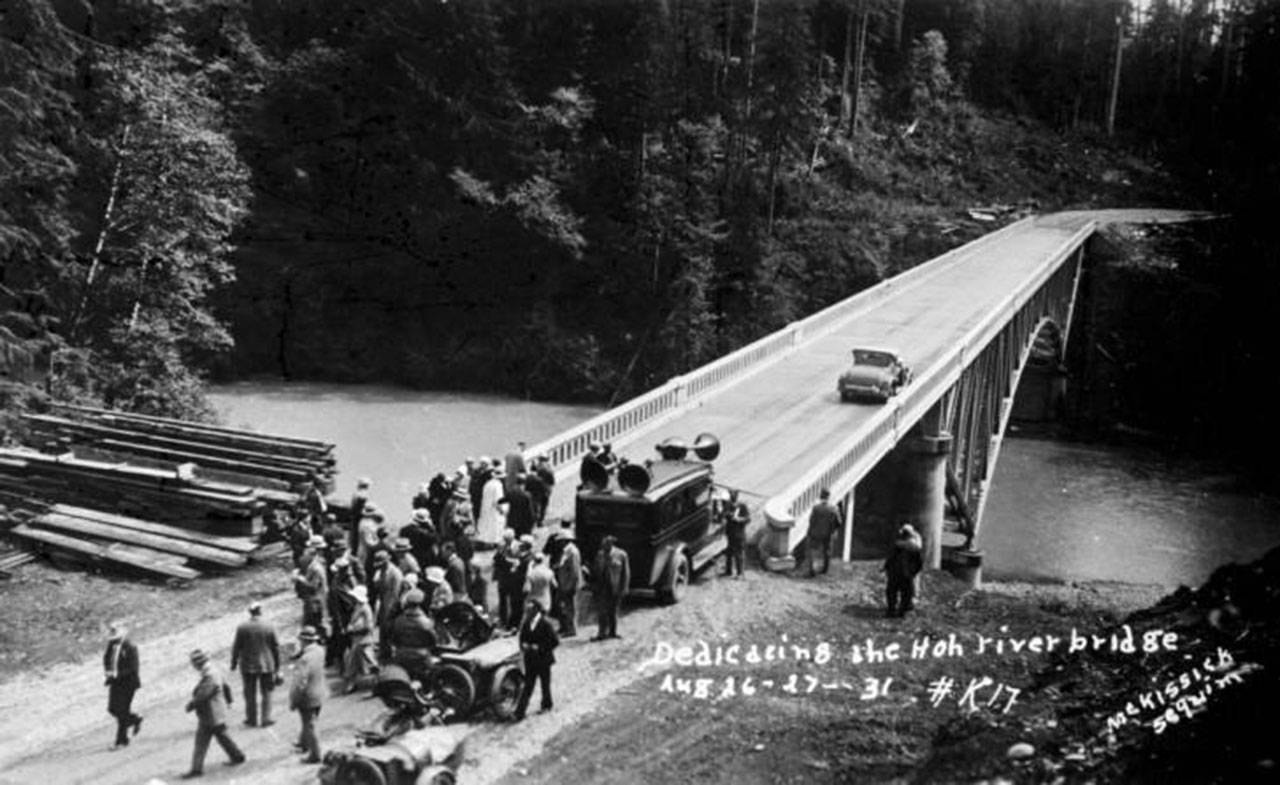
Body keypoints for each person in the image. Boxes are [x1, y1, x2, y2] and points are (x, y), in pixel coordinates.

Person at [181, 649, 245, 778]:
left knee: (201, 742)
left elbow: (203, 695)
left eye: (193, 663)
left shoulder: (209, 675)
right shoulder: (215, 670)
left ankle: (196, 769)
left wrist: (191, 705)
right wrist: (229, 701)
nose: (193, 666)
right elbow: (226, 686)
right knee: (222, 737)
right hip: (217, 713)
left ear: (198, 663)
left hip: (210, 714)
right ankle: (237, 756)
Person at [229, 601, 280, 728]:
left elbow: (237, 647)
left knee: (249, 694)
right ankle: (266, 718)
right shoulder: (269, 626)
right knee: (267, 692)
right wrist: (277, 666)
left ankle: (251, 719)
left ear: (250, 612)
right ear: (260, 611)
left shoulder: (242, 627)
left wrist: (233, 662)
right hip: (267, 664)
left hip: (248, 665)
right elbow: (275, 647)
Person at [513, 599, 559, 720]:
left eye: (530, 609)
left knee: (545, 684)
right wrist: (523, 645)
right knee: (528, 685)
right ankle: (519, 712)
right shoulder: (526, 623)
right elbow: (521, 638)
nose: (528, 612)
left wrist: (539, 647)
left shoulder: (545, 624)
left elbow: (555, 641)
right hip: (530, 660)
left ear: (537, 610)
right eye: (527, 609)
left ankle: (547, 705)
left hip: (543, 659)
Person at [288, 626, 326, 764]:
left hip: (308, 697)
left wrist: (293, 701)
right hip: (320, 692)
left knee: (310, 725)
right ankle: (303, 743)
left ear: (304, 641)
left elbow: (300, 684)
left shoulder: (305, 659)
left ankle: (315, 754)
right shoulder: (320, 651)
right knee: (309, 722)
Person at [103, 621, 143, 750]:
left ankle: (121, 741)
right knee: (112, 708)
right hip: (116, 682)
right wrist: (108, 672)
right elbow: (106, 659)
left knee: (122, 710)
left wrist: (117, 674)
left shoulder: (130, 647)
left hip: (128, 683)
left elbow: (133, 668)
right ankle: (134, 719)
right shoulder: (111, 645)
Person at [386, 589, 438, 681]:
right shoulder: (426, 622)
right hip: (421, 657)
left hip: (401, 655)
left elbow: (392, 638)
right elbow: (434, 641)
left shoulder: (398, 621)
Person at [590, 535, 630, 641]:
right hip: (602, 587)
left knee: (613, 611)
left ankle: (613, 632)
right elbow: (596, 571)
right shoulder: (600, 555)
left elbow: (625, 573)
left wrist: (624, 588)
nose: (605, 548)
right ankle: (601, 633)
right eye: (603, 546)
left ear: (611, 545)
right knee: (602, 611)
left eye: (607, 546)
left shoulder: (621, 555)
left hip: (615, 587)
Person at [885, 523, 924, 618]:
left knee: (892, 592)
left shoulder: (898, 545)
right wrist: (913, 572)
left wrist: (887, 568)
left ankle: (892, 610)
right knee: (907, 593)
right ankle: (902, 610)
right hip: (907, 574)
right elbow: (919, 563)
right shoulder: (915, 547)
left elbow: (891, 558)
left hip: (896, 574)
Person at [343, 585, 377, 694]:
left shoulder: (365, 609)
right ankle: (352, 682)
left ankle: (378, 681)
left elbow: (368, 626)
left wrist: (354, 629)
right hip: (357, 639)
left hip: (364, 639)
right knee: (353, 661)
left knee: (369, 660)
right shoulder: (358, 606)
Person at [370, 551, 404, 659]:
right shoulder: (382, 571)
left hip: (391, 603)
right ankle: (384, 650)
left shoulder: (395, 573)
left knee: (389, 628)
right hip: (383, 600)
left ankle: (389, 652)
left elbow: (396, 592)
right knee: (382, 628)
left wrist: (392, 608)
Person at [293, 536, 328, 635]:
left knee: (312, 621)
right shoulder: (320, 561)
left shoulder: (314, 565)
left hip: (314, 598)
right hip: (320, 595)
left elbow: (313, 585)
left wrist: (298, 578)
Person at [553, 531, 581, 637]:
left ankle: (571, 629)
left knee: (569, 607)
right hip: (563, 582)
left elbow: (574, 571)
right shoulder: (567, 551)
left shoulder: (572, 552)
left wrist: (571, 585)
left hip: (568, 584)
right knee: (561, 606)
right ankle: (564, 627)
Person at [807, 488, 841, 577]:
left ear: (820, 496)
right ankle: (825, 569)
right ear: (828, 497)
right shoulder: (834, 508)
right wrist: (834, 530)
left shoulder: (816, 508)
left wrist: (810, 531)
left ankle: (812, 569)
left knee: (813, 550)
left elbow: (811, 521)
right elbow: (839, 522)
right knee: (827, 551)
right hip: (828, 533)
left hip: (815, 533)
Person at [722, 489, 749, 578]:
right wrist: (730, 515)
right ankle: (728, 571)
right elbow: (724, 514)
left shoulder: (742, 506)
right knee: (729, 553)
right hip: (730, 533)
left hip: (739, 534)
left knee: (739, 554)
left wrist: (740, 519)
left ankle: (739, 573)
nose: (732, 498)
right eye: (731, 496)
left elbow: (748, 519)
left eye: (734, 496)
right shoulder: (728, 505)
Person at [493, 529, 518, 627]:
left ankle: (512, 622)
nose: (505, 541)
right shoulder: (501, 546)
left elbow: (518, 561)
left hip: (512, 578)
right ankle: (503, 620)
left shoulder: (517, 547)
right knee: (502, 600)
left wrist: (507, 560)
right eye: (505, 539)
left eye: (507, 539)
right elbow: (496, 559)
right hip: (502, 578)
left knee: (513, 601)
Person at [477, 466, 506, 546]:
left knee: (486, 525)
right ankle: (494, 542)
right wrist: (502, 510)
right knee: (495, 526)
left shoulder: (487, 484)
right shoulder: (498, 485)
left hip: (485, 508)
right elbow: (498, 500)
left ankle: (485, 541)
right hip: (493, 510)